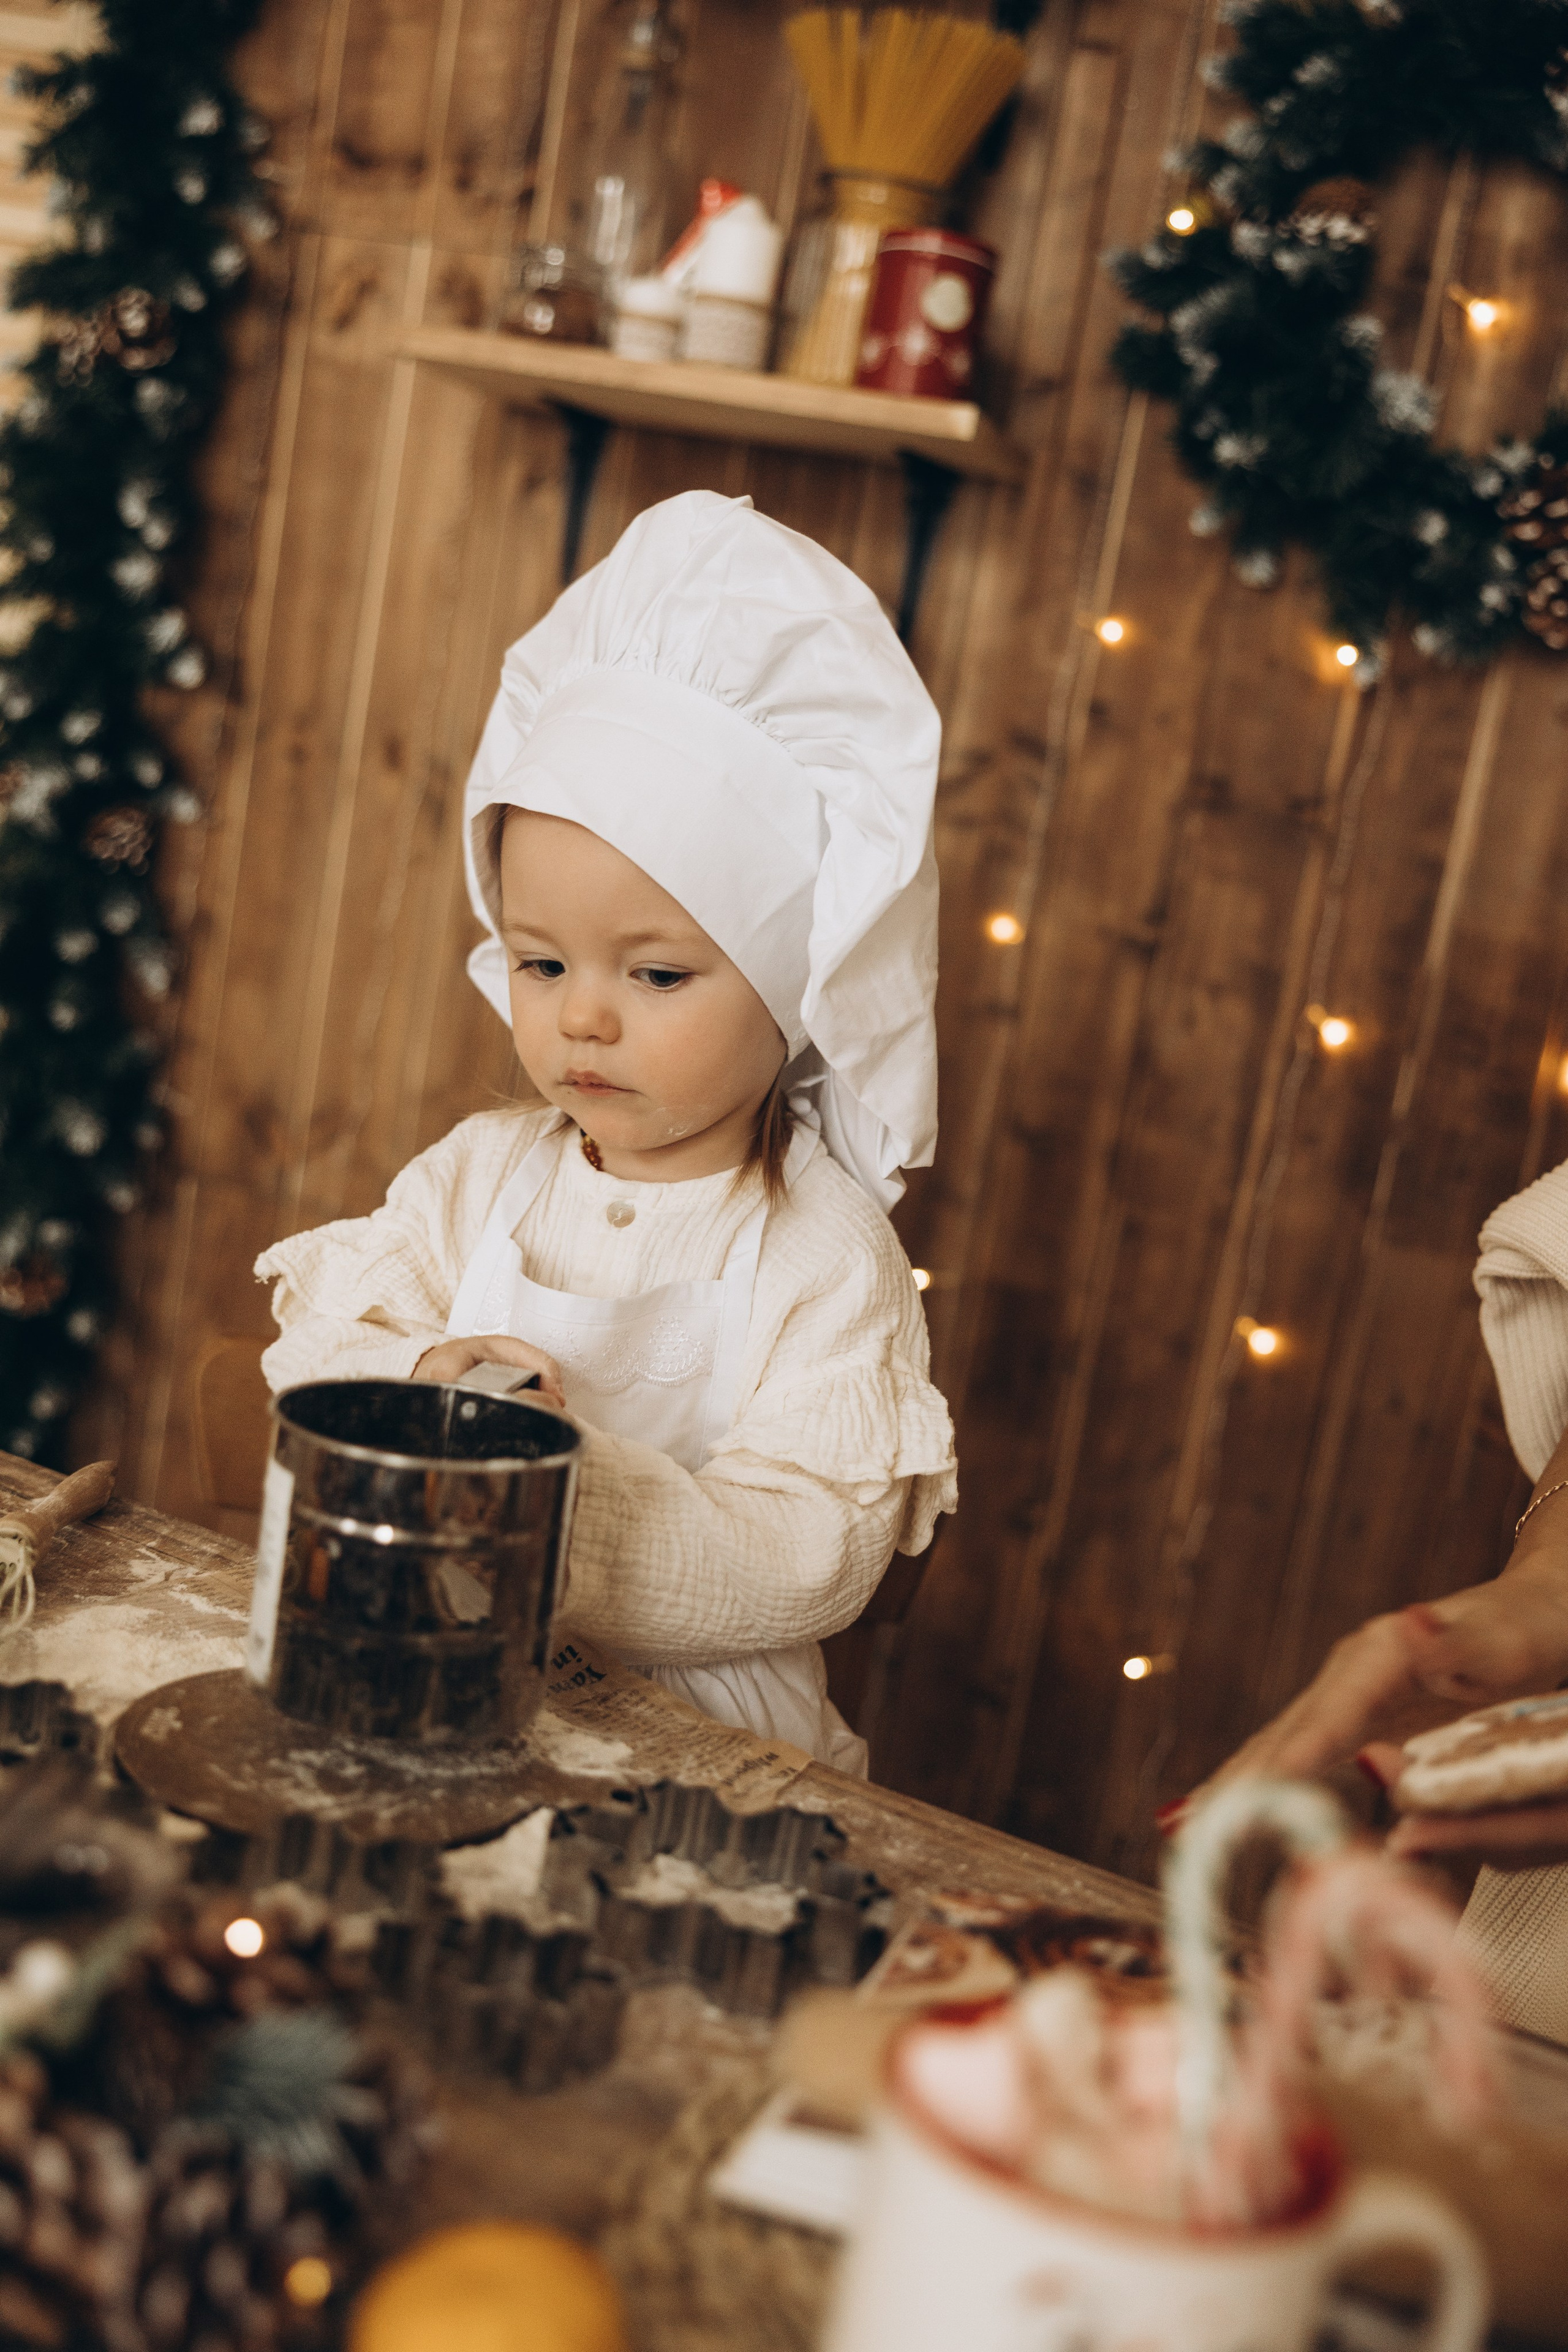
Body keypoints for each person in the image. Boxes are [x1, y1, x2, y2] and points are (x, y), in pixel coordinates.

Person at [254, 491, 957, 1775]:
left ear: (787, 987)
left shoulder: (821, 1251)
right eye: (538, 961)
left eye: (658, 976)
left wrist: (538, 1499)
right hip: (413, 1673)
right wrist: (419, 1381)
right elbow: (315, 1350)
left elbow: (811, 1554)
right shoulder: (475, 1178)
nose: (581, 1014)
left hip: (688, 1757)